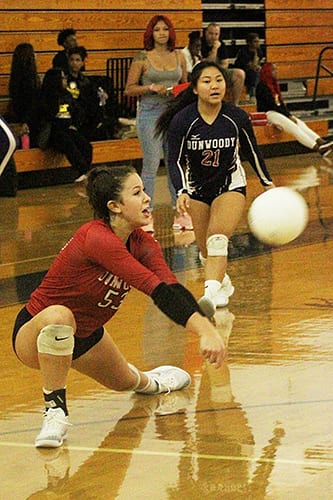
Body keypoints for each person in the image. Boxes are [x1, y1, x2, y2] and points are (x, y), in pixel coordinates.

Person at [11, 164, 226, 448]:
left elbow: (169, 288)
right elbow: (151, 287)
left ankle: (155, 381)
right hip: (35, 332)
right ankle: (55, 412)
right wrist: (206, 331)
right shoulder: (97, 238)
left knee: (128, 382)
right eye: (137, 193)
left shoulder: (143, 243)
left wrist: (206, 328)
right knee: (59, 316)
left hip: (88, 335)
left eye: (144, 190)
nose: (147, 198)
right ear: (114, 206)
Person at [156, 61, 274, 316]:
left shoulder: (236, 117)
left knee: (218, 239)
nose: (214, 85)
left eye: (219, 80)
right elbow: (174, 161)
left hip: (230, 184)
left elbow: (252, 152)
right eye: (207, 81)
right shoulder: (182, 121)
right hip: (197, 189)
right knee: (205, 250)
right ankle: (223, 283)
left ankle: (208, 294)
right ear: (196, 88)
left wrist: (267, 182)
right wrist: (181, 191)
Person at [125, 15, 190, 232]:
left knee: (175, 163)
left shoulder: (179, 55)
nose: (161, 33)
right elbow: (129, 89)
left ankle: (180, 212)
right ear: (150, 33)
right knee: (151, 165)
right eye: (157, 30)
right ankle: (146, 214)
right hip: (150, 113)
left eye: (165, 29)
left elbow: (186, 85)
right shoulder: (142, 57)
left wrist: (178, 94)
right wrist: (150, 88)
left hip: (174, 112)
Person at [256, 63, 333, 157]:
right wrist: (288, 116)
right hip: (268, 113)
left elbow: (280, 104)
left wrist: (289, 115)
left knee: (300, 123)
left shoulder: (274, 85)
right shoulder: (262, 86)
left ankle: (320, 141)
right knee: (294, 128)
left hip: (277, 112)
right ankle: (317, 147)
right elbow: (273, 105)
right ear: (267, 72)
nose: (276, 72)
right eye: (273, 70)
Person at [39, 68, 92, 181]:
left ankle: (86, 171)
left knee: (85, 145)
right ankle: (84, 171)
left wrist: (75, 125)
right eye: (62, 78)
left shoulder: (67, 94)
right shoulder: (45, 96)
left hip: (67, 128)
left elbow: (78, 111)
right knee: (68, 143)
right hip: (52, 132)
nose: (65, 80)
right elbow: (45, 116)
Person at [66, 46, 111, 141]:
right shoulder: (64, 80)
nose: (74, 63)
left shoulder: (86, 81)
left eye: (77, 60)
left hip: (85, 116)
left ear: (82, 63)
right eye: (72, 60)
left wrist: (102, 95)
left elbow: (96, 95)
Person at [201, 23, 245, 106]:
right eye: (211, 33)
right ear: (206, 32)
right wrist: (214, 49)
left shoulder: (221, 44)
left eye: (216, 34)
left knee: (239, 74)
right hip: (203, 74)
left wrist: (217, 70)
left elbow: (225, 64)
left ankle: (235, 104)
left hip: (218, 72)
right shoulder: (200, 44)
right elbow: (207, 64)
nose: (213, 37)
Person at [8, 43, 41, 147]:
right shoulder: (30, 81)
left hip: (23, 115)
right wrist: (26, 121)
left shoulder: (15, 78)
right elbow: (32, 103)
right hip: (29, 117)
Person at [234, 32, 265, 101]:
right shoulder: (243, 52)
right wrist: (255, 55)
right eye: (255, 42)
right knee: (255, 73)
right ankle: (251, 94)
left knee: (260, 73)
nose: (257, 44)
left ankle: (259, 94)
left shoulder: (259, 51)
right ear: (249, 43)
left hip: (251, 72)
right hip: (241, 72)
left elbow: (257, 65)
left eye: (258, 42)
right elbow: (251, 66)